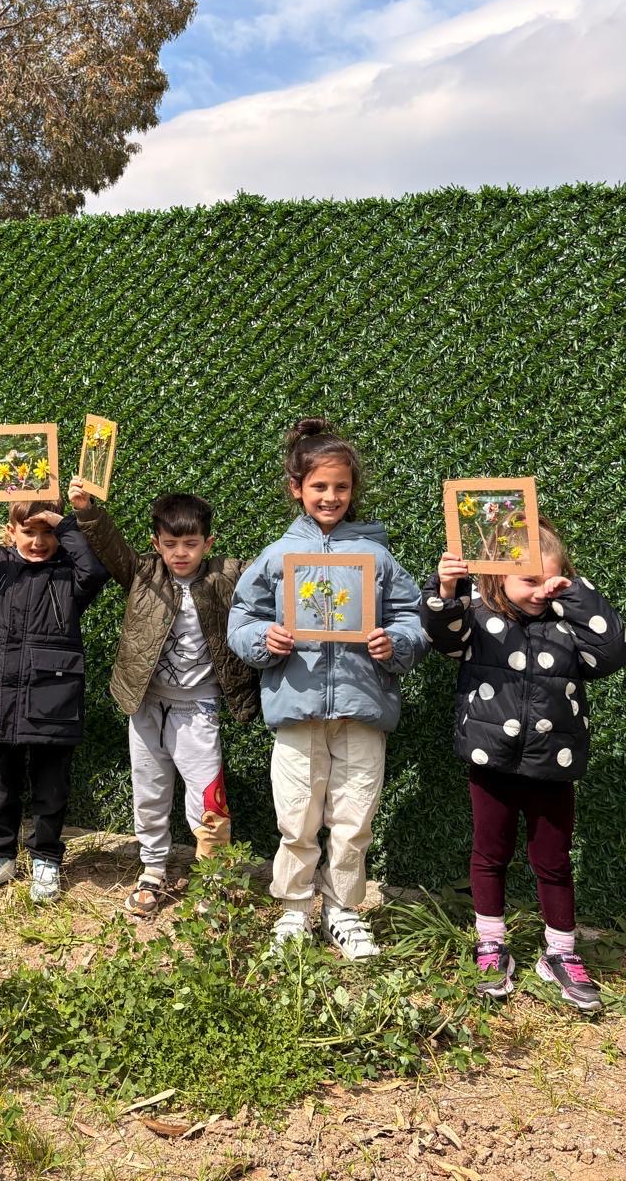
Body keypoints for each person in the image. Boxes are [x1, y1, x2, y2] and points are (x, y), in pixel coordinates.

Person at [227, 418, 428, 958]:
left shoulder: (376, 557)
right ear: (297, 488)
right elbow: (242, 617)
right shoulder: (277, 556)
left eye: (341, 486)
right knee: (296, 817)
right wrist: (264, 640)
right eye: (319, 486)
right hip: (297, 708)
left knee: (354, 818)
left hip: (363, 708)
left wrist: (396, 643)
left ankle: (342, 910)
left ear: (352, 489)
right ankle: (294, 909)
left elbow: (411, 616)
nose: (331, 497)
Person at [421, 516, 624, 1011]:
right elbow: (442, 635)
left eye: (551, 579)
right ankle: (491, 944)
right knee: (489, 854)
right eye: (529, 580)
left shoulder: (568, 623)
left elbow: (612, 652)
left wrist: (573, 593)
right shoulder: (478, 616)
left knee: (553, 861)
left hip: (553, 763)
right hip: (490, 760)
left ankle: (561, 952)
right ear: (498, 576)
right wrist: (446, 588)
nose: (539, 591)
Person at [70, 479, 258, 916]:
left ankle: (213, 879)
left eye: (191, 544)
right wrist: (85, 509)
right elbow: (110, 547)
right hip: (146, 704)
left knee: (208, 797)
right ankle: (152, 870)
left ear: (209, 543)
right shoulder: (143, 573)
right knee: (149, 790)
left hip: (199, 708)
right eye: (170, 544)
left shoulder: (227, 575)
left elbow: (274, 567)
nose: (180, 553)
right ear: (156, 544)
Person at [0, 478, 109, 903]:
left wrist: (66, 522)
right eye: (29, 531)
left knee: (51, 786)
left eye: (47, 531)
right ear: (11, 531)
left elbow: (96, 571)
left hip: (51, 698)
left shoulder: (69, 575)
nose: (38, 541)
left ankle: (46, 857)